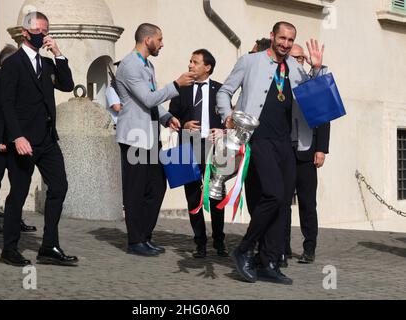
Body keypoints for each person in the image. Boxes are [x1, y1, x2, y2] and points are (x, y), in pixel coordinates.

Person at [217, 21, 326, 284]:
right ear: (272, 36)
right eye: (282, 38)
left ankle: (268, 262)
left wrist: (318, 69)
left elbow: (316, 100)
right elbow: (224, 91)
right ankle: (244, 249)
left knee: (282, 204)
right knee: (274, 194)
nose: (286, 44)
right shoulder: (250, 61)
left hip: (286, 143)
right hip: (257, 139)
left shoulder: (296, 68)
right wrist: (227, 116)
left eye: (290, 40)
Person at [0, 11, 76, 267]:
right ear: (25, 33)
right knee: (18, 194)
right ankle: (9, 249)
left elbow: (66, 84)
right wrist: (16, 136)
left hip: (47, 140)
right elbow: (6, 104)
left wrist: (59, 53)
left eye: (46, 31)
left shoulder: (47, 63)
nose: (42, 36)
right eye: (38, 31)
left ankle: (49, 246)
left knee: (59, 187)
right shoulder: (12, 64)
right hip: (23, 142)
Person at [115, 23, 195, 257]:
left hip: (149, 134)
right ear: (147, 39)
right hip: (134, 136)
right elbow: (148, 99)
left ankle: (144, 236)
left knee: (156, 186)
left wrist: (167, 116)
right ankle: (134, 240)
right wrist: (176, 85)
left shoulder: (147, 65)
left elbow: (152, 103)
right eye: (159, 39)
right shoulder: (130, 65)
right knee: (135, 189)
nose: (162, 43)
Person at [169, 49, 227, 258]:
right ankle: (200, 242)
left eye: (195, 62)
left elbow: (229, 118)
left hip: (215, 147)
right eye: (190, 61)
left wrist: (223, 131)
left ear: (207, 67)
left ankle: (219, 241)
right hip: (188, 146)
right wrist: (183, 124)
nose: (190, 65)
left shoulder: (220, 90)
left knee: (216, 195)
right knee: (193, 196)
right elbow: (172, 115)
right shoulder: (181, 88)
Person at [0, 44, 37, 235]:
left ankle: (15, 219)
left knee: (18, 183)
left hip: (13, 141)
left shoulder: (18, 80)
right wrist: (0, 140)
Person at [282, 44, 330, 265]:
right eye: (294, 58)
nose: (298, 62)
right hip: (283, 150)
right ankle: (281, 247)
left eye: (302, 58)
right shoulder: (279, 80)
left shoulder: (312, 82)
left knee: (307, 203)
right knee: (281, 201)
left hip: (306, 150)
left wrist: (321, 149)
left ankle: (309, 248)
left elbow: (324, 115)